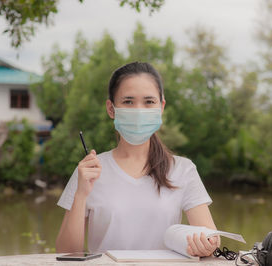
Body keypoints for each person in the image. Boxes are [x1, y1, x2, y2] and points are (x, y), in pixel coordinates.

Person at [55, 62, 220, 257]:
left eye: (149, 102)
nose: (139, 110)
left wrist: (207, 245)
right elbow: (66, 253)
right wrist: (81, 194)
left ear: (161, 106)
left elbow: (212, 239)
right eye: (128, 101)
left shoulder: (183, 169)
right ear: (111, 108)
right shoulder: (89, 170)